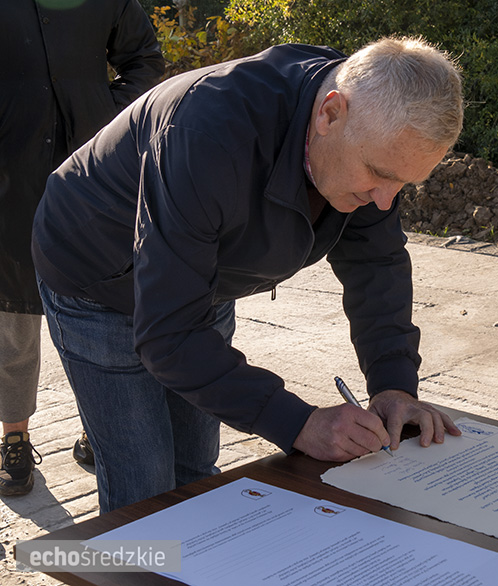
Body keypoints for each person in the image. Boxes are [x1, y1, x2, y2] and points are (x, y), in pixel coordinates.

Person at [32, 36, 464, 513]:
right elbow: (170, 335)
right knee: (146, 485)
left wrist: (393, 383)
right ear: (330, 113)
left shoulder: (368, 130)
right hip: (94, 270)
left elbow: (377, 263)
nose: (386, 200)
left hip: (201, 274)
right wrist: (299, 423)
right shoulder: (208, 132)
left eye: (402, 183)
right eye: (380, 175)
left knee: (196, 470)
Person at [0, 0, 165, 496]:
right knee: (14, 319)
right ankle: (14, 438)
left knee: (106, 308)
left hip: (95, 175)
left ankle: (103, 427)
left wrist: (110, 112)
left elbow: (145, 60)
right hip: (9, 172)